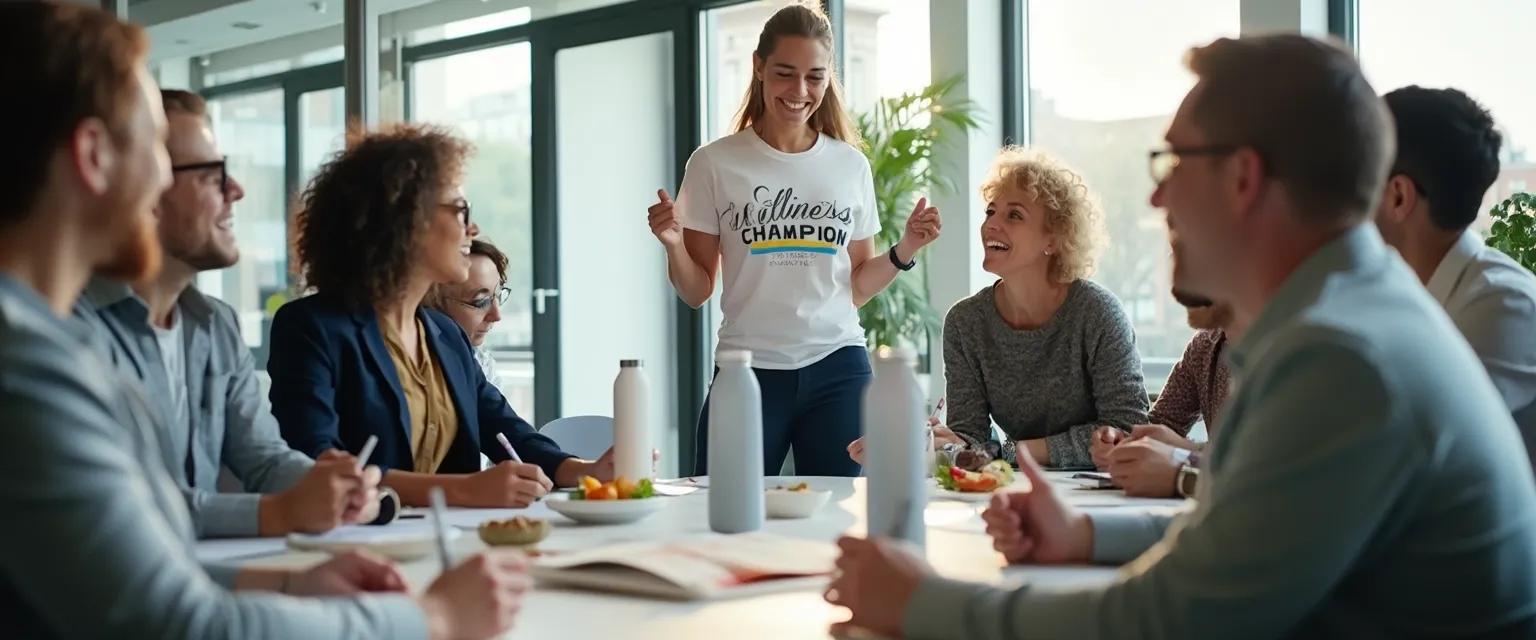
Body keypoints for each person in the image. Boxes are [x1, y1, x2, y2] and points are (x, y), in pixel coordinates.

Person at [825, 34, 1536, 639]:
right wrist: (1089, 535)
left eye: (1170, 166)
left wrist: (923, 602)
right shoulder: (1348, 317)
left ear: (1242, 178)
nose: (1158, 199)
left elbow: (1166, 621)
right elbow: (1250, 530)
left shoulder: (1342, 357)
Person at [0, 4, 528, 638]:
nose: (170, 180)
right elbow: (178, 623)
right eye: (156, 151)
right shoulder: (28, 365)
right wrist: (429, 617)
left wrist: (284, 582)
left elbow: (140, 570)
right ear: (93, 156)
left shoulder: (53, 344)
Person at [646, 3, 940, 477]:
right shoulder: (714, 163)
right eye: (785, 73)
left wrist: (905, 249)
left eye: (815, 77)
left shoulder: (850, 165)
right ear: (759, 67)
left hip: (838, 367)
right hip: (747, 371)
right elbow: (698, 291)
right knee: (719, 511)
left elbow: (857, 287)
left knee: (841, 519)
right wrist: (674, 245)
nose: (800, 92)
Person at [75, 89, 381, 538]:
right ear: (146, 186)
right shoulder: (70, 326)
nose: (235, 190)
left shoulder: (216, 323)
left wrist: (328, 485)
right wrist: (277, 514)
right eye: (210, 174)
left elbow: (265, 458)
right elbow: (122, 508)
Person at [268, 124, 613, 508]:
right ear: (405, 220)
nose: (473, 229)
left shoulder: (445, 334)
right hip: (357, 548)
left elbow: (504, 429)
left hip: (455, 542)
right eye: (461, 210)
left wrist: (584, 471)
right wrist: (462, 490)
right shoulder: (312, 327)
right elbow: (316, 461)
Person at [850, 147, 1148, 469]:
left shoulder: (1098, 313)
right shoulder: (966, 322)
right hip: (1015, 486)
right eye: (991, 212)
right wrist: (926, 442)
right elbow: (971, 435)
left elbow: (1128, 428)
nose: (991, 224)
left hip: (1100, 493)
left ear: (1054, 239)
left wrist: (1015, 452)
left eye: (1014, 215)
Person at [1374, 85, 1536, 459]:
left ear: (1398, 196)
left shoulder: (1503, 306)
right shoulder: (1408, 294)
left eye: (1359, 180)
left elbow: (1396, 451)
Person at [1098, 289, 1237, 498]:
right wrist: (1127, 444)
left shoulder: (1288, 350)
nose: (1175, 285)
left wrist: (1184, 455)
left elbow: (1259, 462)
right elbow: (1163, 424)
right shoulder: (1205, 346)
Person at [426, 238, 513, 394]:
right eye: (480, 302)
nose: (496, 315)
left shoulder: (483, 363)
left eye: (498, 296)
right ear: (433, 302)